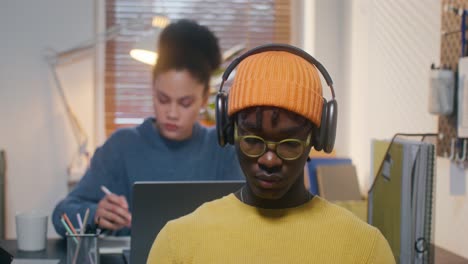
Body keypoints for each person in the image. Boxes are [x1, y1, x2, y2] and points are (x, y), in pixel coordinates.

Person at [147, 45, 395, 263]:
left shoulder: (365, 250)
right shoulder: (178, 244)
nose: (269, 160)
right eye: (253, 140)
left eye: (289, 143)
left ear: (317, 139)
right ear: (228, 132)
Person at [52, 19, 243, 237]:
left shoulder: (221, 149)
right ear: (152, 89)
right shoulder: (122, 146)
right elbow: (61, 215)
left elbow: (246, 219)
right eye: (163, 99)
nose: (171, 113)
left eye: (185, 103)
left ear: (203, 99)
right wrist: (95, 213)